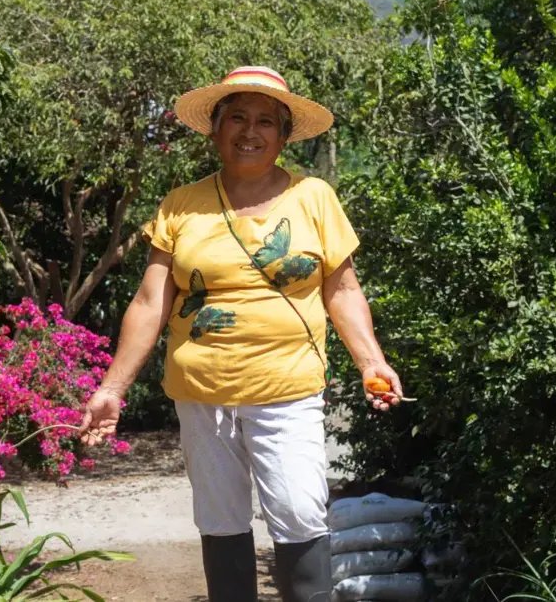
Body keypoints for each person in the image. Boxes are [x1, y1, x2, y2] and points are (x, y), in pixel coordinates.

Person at [79, 66, 407, 602]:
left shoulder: (314, 197)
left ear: (283, 135)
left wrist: (371, 361)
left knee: (301, 512)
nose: (250, 132)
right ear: (214, 129)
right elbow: (149, 302)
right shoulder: (182, 204)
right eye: (237, 118)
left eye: (265, 122)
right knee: (220, 520)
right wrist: (113, 388)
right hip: (201, 393)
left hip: (288, 390)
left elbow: (342, 290)